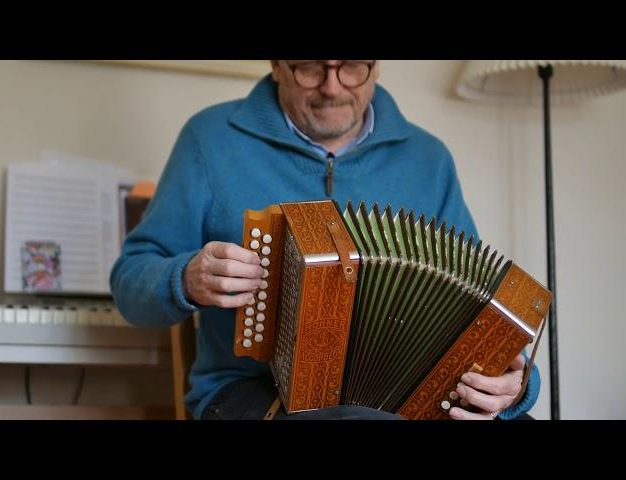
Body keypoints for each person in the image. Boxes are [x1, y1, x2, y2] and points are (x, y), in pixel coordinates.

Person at [110, 60, 540, 420]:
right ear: (277, 66)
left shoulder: (428, 160)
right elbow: (130, 283)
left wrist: (516, 384)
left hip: (410, 397)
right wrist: (186, 278)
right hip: (248, 392)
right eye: (311, 67)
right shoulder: (210, 140)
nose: (332, 87)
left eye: (352, 65)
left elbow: (480, 307)